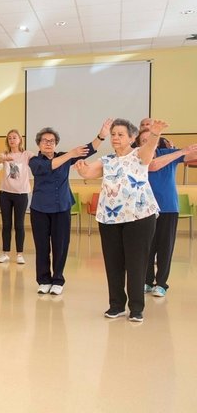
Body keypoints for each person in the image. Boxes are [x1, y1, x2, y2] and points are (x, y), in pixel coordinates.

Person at [75, 118, 165, 322]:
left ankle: (136, 308)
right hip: (110, 217)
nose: (115, 138)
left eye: (120, 134)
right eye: (113, 134)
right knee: (113, 263)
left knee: (136, 263)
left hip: (139, 216)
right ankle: (116, 305)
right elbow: (89, 172)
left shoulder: (138, 155)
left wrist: (155, 134)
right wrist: (82, 169)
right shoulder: (107, 160)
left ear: (132, 138)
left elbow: (149, 148)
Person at [28, 120, 110, 295]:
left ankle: (58, 280)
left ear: (56, 143)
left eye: (51, 141)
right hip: (40, 209)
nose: (48, 143)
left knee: (61, 245)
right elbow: (48, 166)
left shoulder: (65, 156)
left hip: (62, 207)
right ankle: (43, 280)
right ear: (39, 144)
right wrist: (70, 155)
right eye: (44, 141)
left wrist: (101, 135)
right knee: (42, 246)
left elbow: (89, 149)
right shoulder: (35, 161)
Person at [134, 128, 197, 297]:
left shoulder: (168, 152)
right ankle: (147, 281)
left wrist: (183, 151)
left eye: (151, 139)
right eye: (143, 141)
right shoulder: (136, 156)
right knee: (146, 247)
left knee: (165, 247)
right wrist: (180, 151)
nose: (148, 143)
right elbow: (153, 166)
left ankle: (161, 284)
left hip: (168, 207)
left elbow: (191, 157)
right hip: (144, 208)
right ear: (139, 144)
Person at [0, 130, 34, 264]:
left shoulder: (26, 154)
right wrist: (4, 159)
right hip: (5, 193)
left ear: (20, 139)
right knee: (6, 224)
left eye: (14, 137)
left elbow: (37, 160)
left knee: (19, 224)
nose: (12, 140)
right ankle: (5, 253)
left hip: (21, 194)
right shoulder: (4, 154)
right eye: (9, 138)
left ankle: (19, 254)